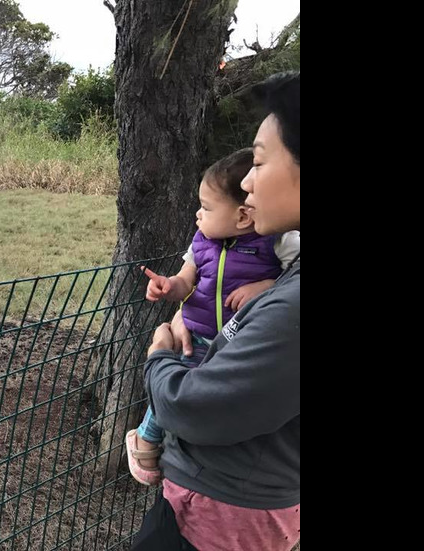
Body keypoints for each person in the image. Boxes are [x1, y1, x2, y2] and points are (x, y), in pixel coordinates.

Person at [131, 71, 300, 551]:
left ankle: (144, 445)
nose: (248, 182)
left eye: (261, 162)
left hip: (222, 510)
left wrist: (159, 355)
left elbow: (196, 406)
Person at [126, 147, 300, 486]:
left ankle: (167, 447)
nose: (197, 215)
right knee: (176, 388)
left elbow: (294, 278)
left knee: (206, 398)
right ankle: (148, 446)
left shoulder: (277, 241)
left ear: (242, 217)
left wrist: (266, 285)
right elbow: (185, 280)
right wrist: (168, 287)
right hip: (200, 334)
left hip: (239, 343)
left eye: (206, 208)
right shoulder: (201, 242)